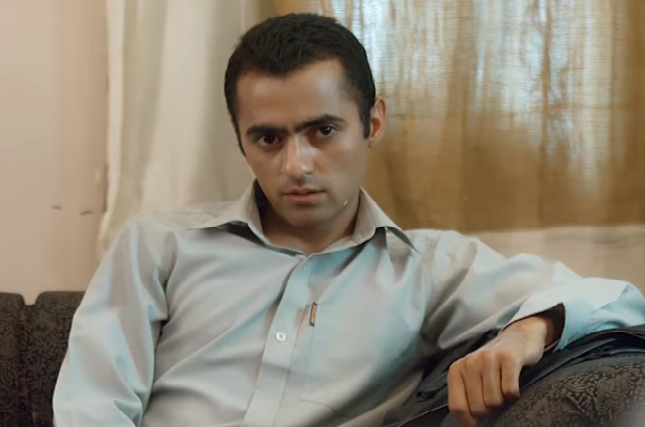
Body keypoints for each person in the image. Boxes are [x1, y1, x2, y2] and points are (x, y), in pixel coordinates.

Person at [52, 12, 645, 427]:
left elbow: (618, 300)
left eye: (323, 131)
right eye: (268, 138)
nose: (296, 165)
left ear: (373, 122)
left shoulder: (426, 268)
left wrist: (525, 333)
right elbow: (93, 405)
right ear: (240, 140)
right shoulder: (156, 246)